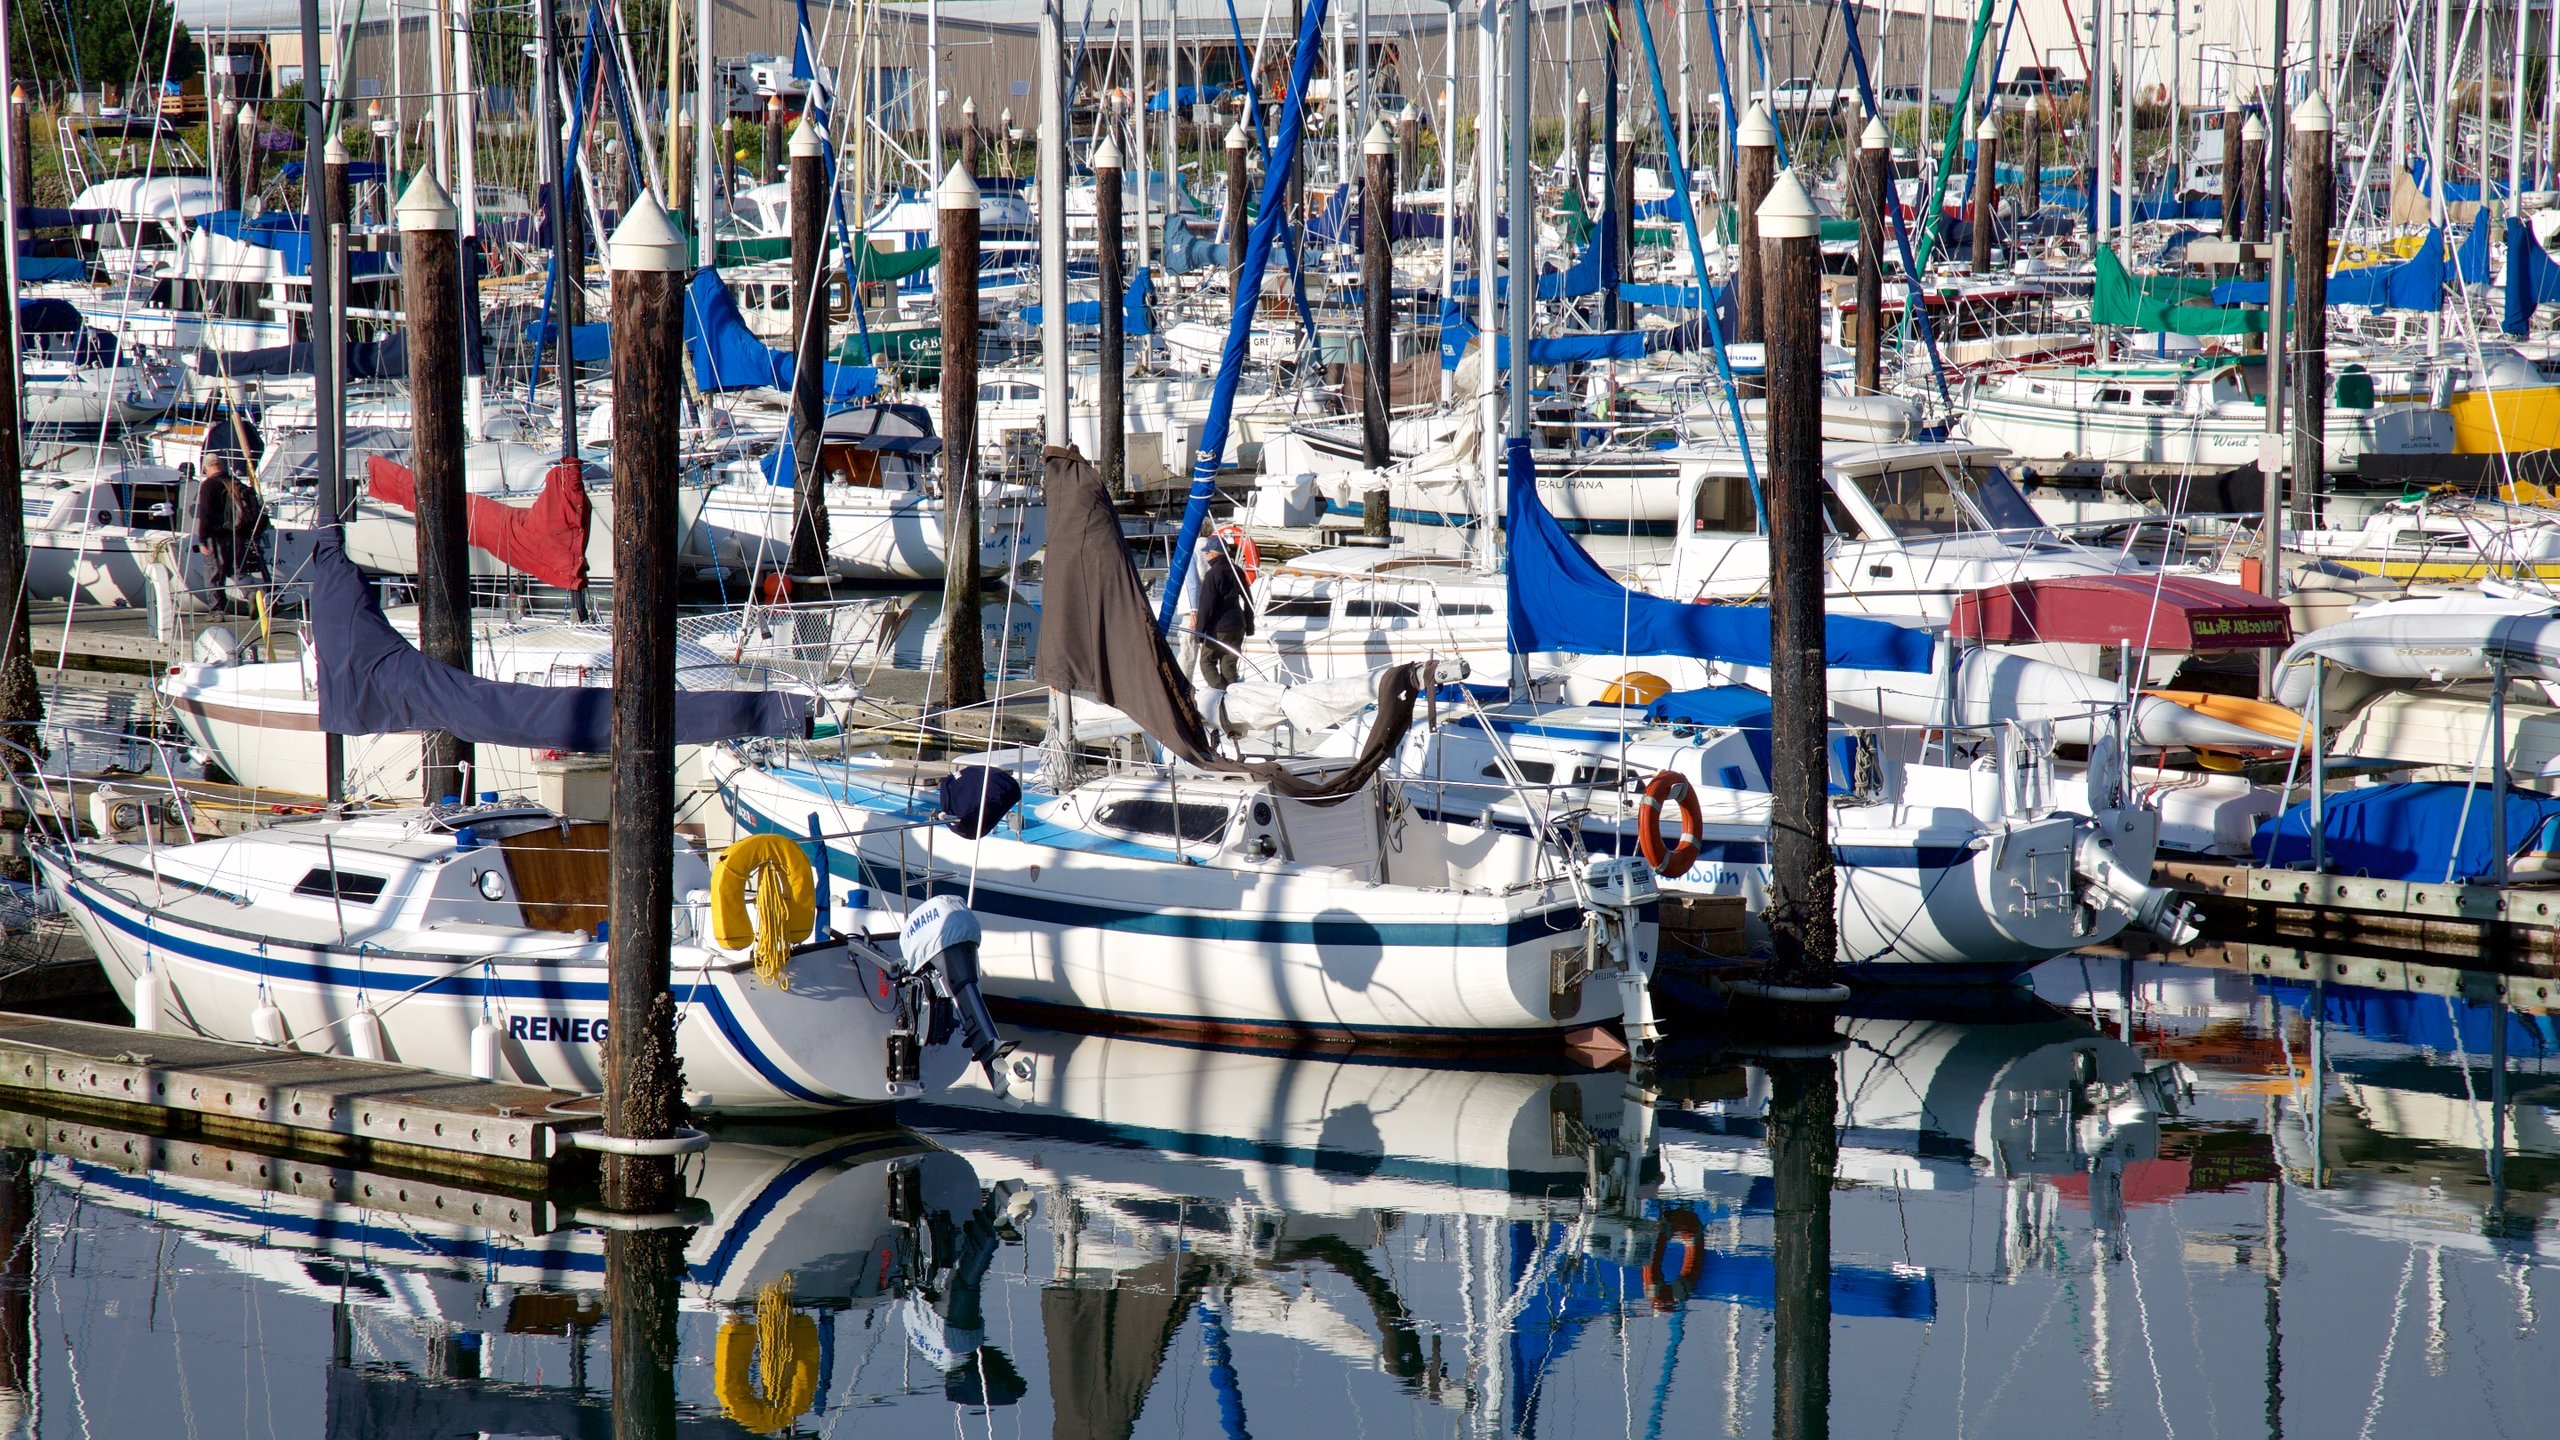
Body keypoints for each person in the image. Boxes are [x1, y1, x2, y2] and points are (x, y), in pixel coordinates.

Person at [193, 451, 269, 609]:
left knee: (213, 574)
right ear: (222, 465)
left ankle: (217, 610)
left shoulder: (209, 485)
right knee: (237, 569)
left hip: (217, 536)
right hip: (239, 534)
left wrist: (202, 540)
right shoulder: (235, 482)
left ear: (206, 468)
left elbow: (206, 514)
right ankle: (252, 593)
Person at [1189, 534, 1253, 690]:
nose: (1206, 556)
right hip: (1238, 625)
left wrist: (1200, 633)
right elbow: (1248, 599)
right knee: (1228, 664)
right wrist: (1249, 625)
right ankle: (1233, 696)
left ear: (1214, 554)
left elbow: (1206, 606)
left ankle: (1220, 692)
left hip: (1219, 628)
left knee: (1206, 661)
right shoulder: (1237, 570)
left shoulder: (1212, 575)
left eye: (1207, 553)